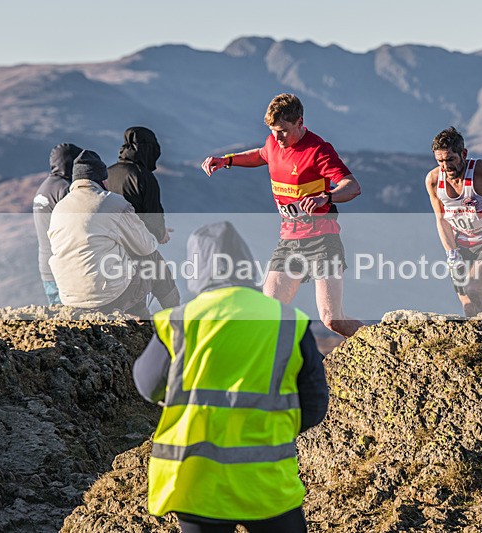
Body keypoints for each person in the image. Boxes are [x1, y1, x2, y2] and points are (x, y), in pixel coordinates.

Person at [133, 221, 328, 533]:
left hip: (194, 483)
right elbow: (315, 405)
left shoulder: (180, 322)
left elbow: (147, 385)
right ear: (246, 264)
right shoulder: (287, 320)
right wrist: (270, 427)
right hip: (267, 482)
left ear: (196, 270)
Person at [201, 93, 363, 337]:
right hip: (289, 241)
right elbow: (261, 154)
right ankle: (295, 368)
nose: (277, 137)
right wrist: (227, 161)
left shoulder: (318, 150)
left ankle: (382, 339)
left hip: (323, 239)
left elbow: (352, 186)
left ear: (300, 122)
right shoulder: (273, 143)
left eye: (283, 131)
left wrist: (326, 197)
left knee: (332, 320)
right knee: (268, 312)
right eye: (272, 130)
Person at [48, 150, 158, 318]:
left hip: (69, 297)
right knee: (147, 259)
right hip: (107, 297)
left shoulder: (59, 208)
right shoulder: (112, 202)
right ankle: (142, 323)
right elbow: (147, 247)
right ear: (102, 180)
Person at [425, 127, 482, 317]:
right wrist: (451, 253)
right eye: (440, 161)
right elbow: (441, 219)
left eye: (451, 159)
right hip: (461, 244)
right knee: (468, 306)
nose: (446, 167)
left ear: (463, 154)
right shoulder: (433, 180)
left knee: (474, 289)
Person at [106, 126, 180, 309]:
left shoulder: (107, 173)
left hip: (109, 246)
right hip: (138, 243)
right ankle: (176, 321)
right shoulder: (142, 176)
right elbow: (152, 213)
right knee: (163, 279)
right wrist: (160, 232)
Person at [32, 143, 83, 304]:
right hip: (65, 269)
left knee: (60, 320)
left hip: (47, 267)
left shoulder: (44, 188)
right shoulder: (66, 190)